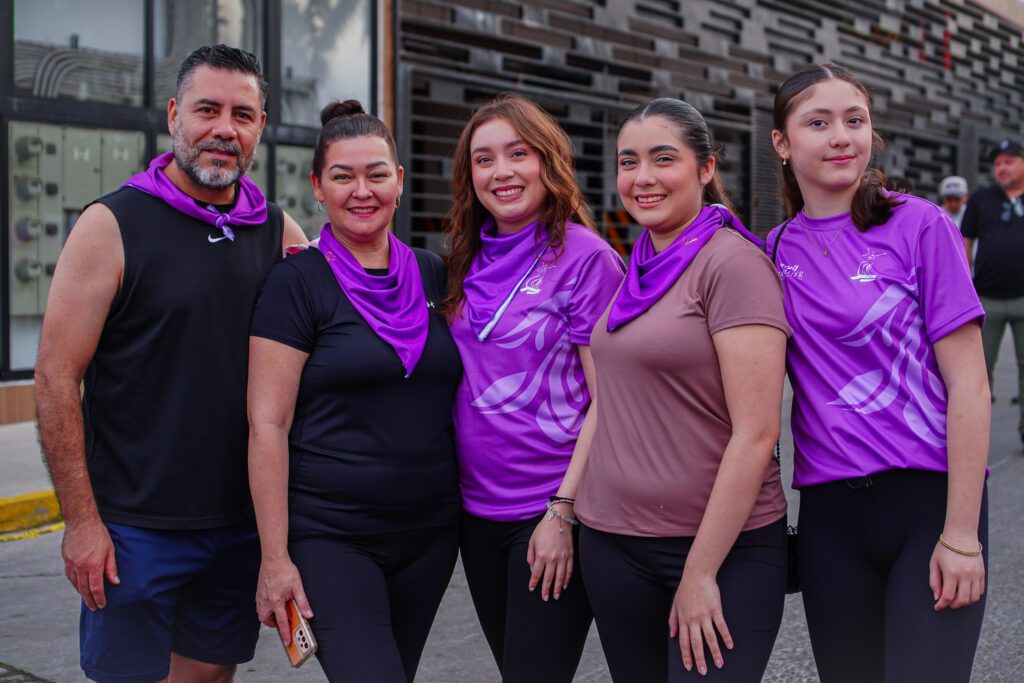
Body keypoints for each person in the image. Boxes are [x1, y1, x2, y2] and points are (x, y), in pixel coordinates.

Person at [34, 44, 306, 683]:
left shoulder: (277, 232)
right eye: (207, 110)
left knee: (211, 675)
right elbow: (55, 377)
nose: (224, 129)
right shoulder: (112, 223)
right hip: (133, 527)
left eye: (243, 115)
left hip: (238, 523)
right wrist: (81, 522)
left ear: (260, 127)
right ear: (174, 115)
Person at [769, 63, 989, 682]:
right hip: (830, 521)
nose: (842, 136)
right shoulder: (772, 252)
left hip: (927, 502)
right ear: (782, 145)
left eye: (855, 120)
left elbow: (971, 384)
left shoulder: (921, 225)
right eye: (819, 122)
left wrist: (963, 534)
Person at [574, 98, 790, 682]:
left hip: (720, 549)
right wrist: (566, 509)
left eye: (662, 159)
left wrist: (699, 572)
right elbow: (611, 401)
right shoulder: (636, 265)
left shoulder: (733, 266)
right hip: (613, 543)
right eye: (628, 162)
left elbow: (758, 431)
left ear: (705, 168)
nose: (641, 178)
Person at [248, 100, 461, 682]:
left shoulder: (435, 273)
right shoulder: (296, 284)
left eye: (375, 173)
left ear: (398, 180)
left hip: (431, 536)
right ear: (318, 186)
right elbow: (268, 424)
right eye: (342, 176)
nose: (360, 190)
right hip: (331, 536)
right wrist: (274, 559)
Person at [443, 92, 625, 682]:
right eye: (484, 159)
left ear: (547, 160)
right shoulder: (462, 259)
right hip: (475, 514)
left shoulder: (586, 258)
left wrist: (563, 512)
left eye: (517, 154)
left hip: (548, 507)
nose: (502, 172)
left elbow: (611, 400)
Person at [962, 139, 1024, 439]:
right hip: (986, 299)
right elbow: (966, 242)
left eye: (1009, 161)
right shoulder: (981, 199)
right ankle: (975, 436)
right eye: (998, 163)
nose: (1002, 168)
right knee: (979, 370)